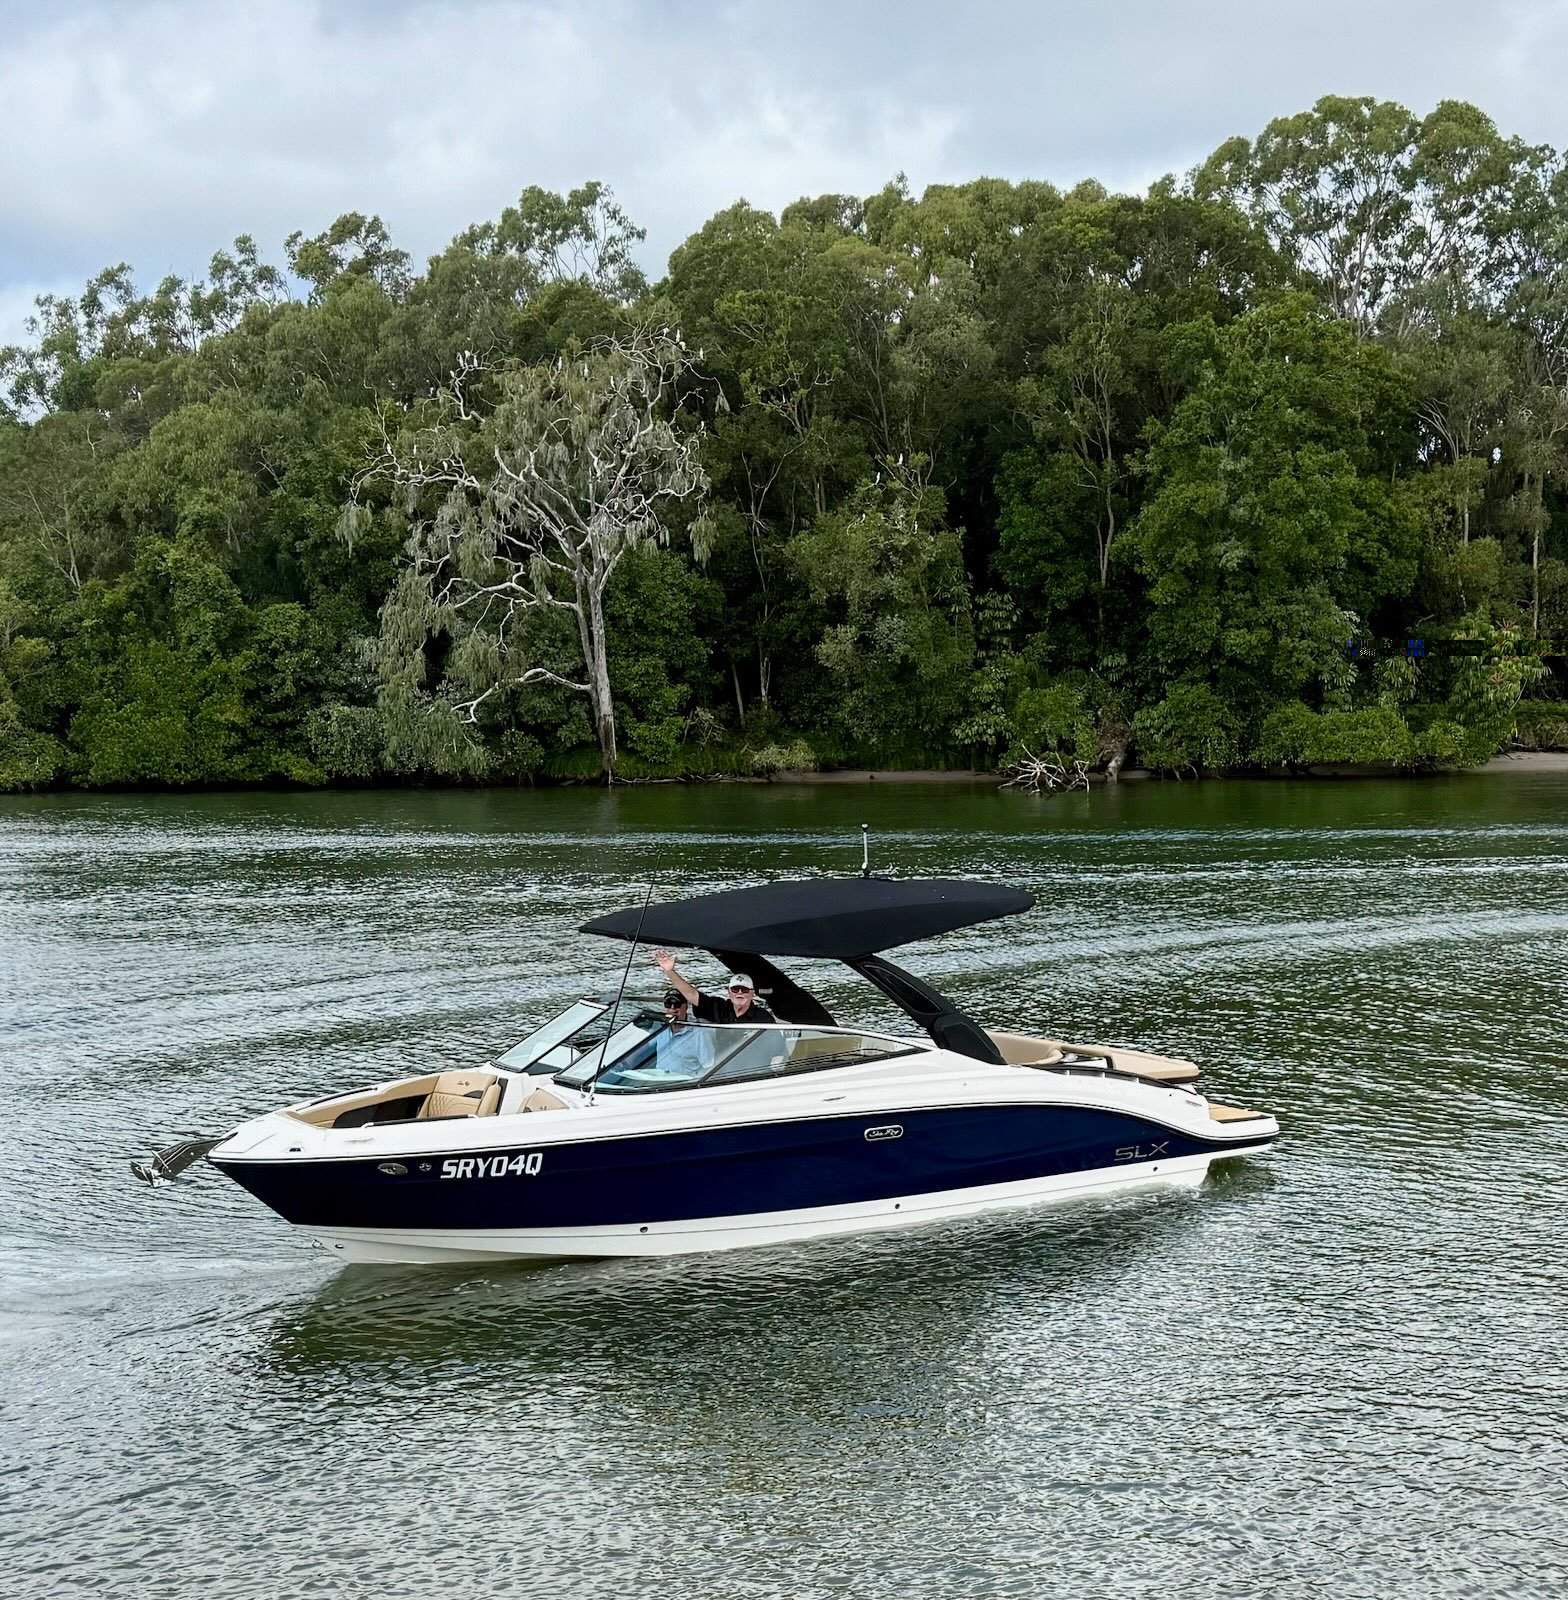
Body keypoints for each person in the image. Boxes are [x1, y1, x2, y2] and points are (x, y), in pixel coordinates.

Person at [653, 949, 777, 1026]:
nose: (739, 993)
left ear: (752, 994)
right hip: (719, 1063)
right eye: (735, 989)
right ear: (729, 993)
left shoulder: (763, 1018)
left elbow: (777, 1046)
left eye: (744, 990)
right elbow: (691, 995)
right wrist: (670, 971)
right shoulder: (719, 1007)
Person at [651, 989, 716, 1079]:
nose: (672, 1009)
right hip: (659, 1081)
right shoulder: (659, 1027)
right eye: (668, 1004)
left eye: (677, 1005)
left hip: (683, 1086)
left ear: (686, 1007)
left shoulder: (700, 1033)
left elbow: (709, 1066)